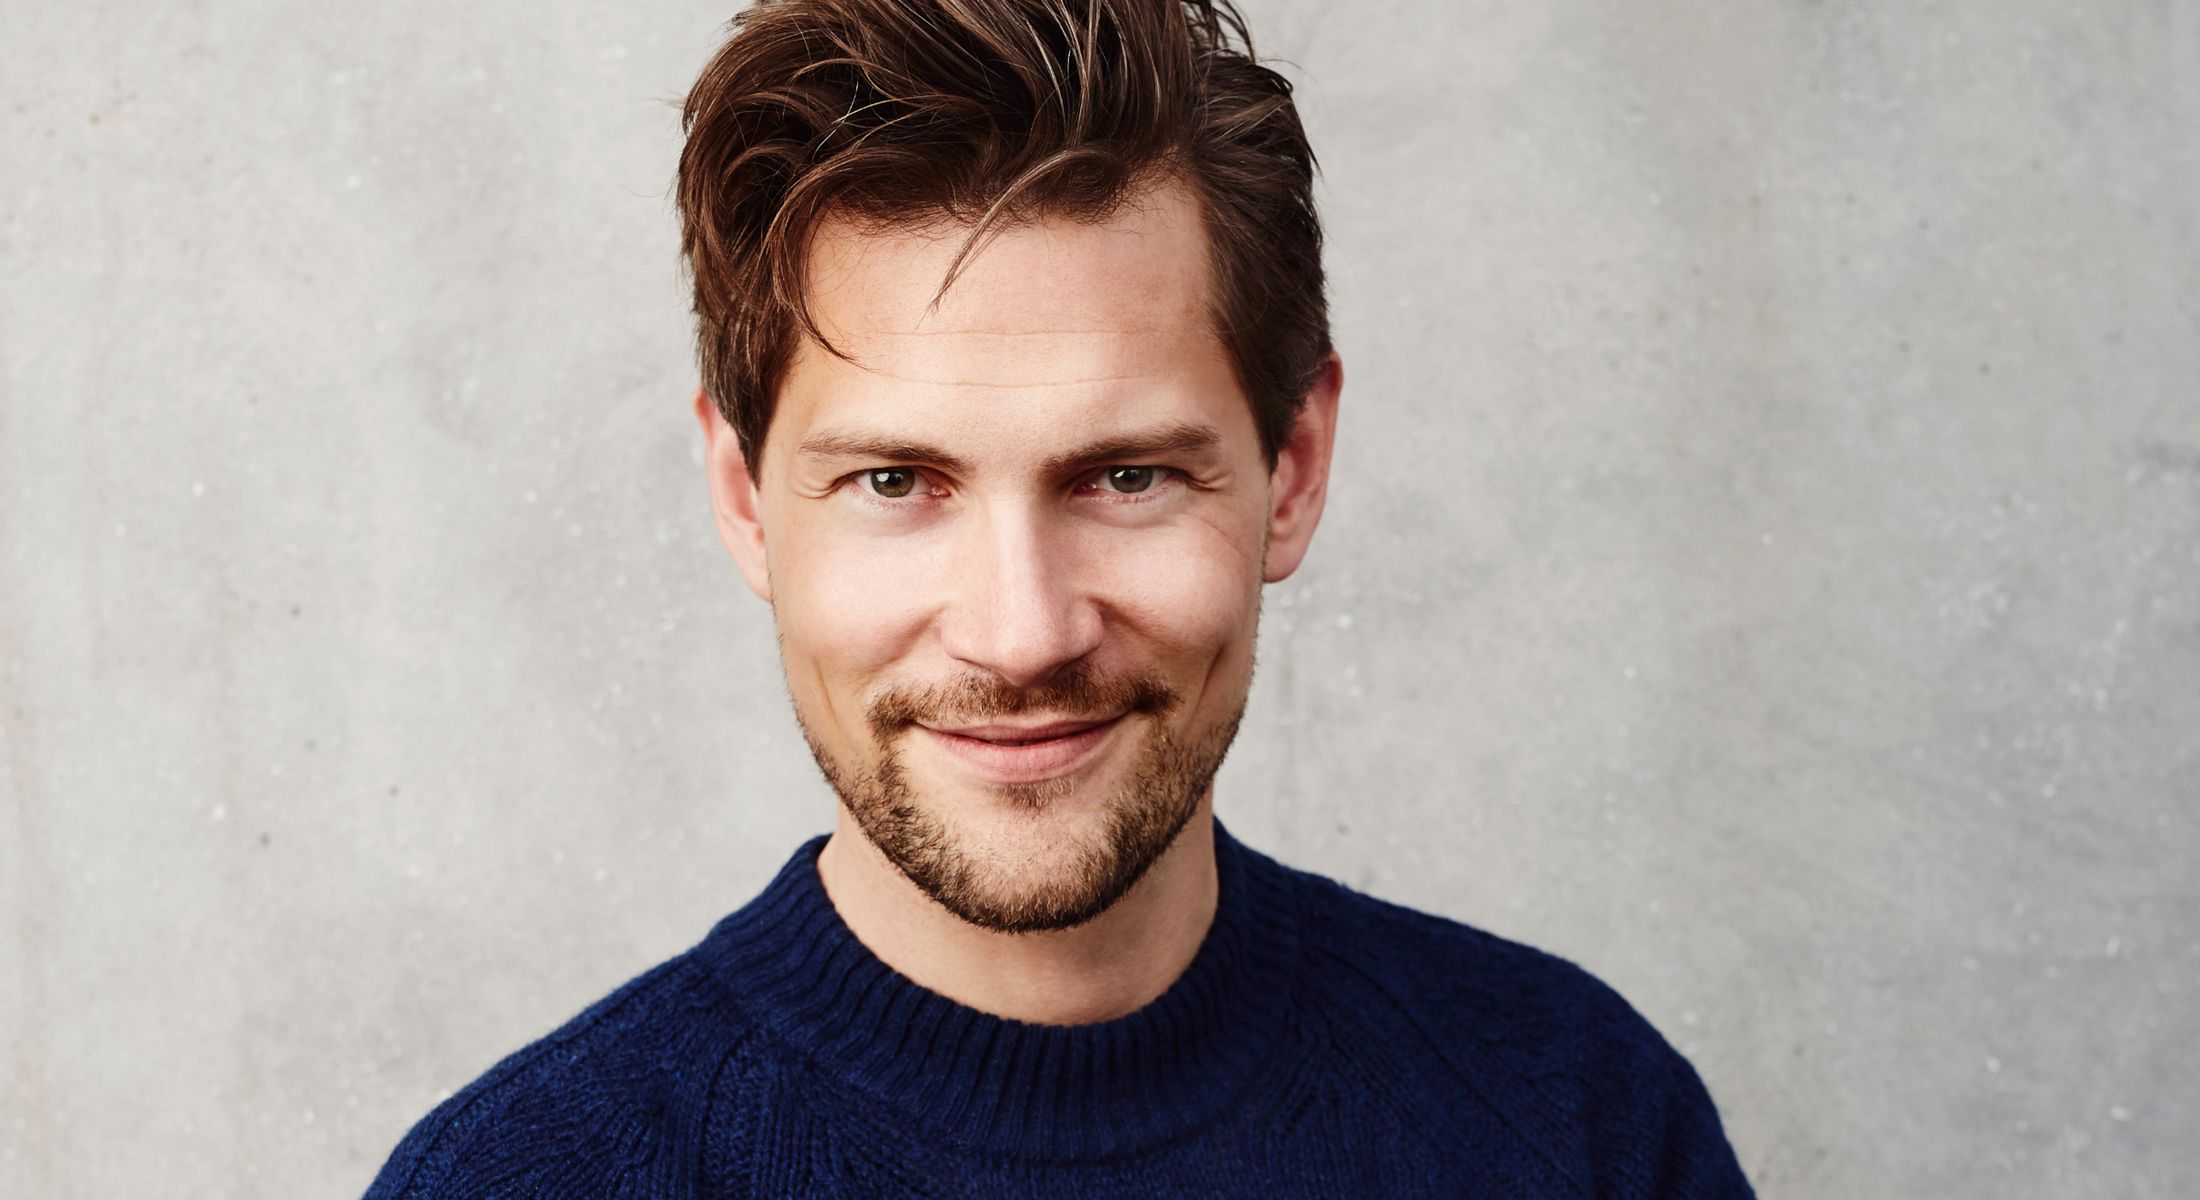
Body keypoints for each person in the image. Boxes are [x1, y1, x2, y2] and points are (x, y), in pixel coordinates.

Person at [364, 1, 1757, 1195]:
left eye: (1128, 475)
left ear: (1293, 470)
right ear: (746, 499)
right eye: (898, 483)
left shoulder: (1581, 1128)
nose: (1022, 632)